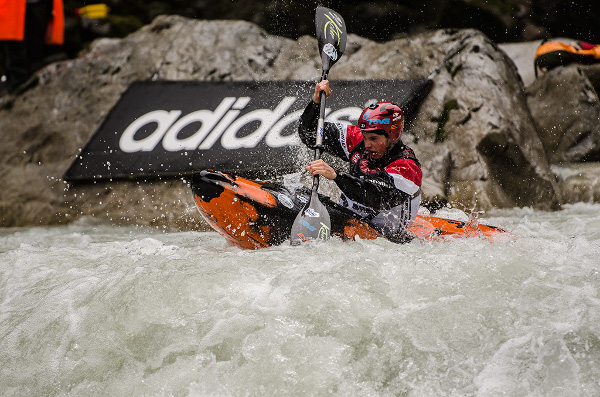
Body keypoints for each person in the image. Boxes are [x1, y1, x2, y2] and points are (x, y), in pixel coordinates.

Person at [298, 79, 422, 243]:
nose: (367, 144)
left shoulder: (407, 167)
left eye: (373, 138)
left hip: (384, 239)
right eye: (364, 137)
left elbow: (375, 197)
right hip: (347, 222)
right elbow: (310, 133)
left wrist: (336, 176)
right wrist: (316, 103)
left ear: (393, 135)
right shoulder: (357, 140)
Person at [0, 0, 64, 93]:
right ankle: (17, 92)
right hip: (11, 6)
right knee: (15, 57)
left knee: (36, 57)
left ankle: (34, 91)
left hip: (39, 5)